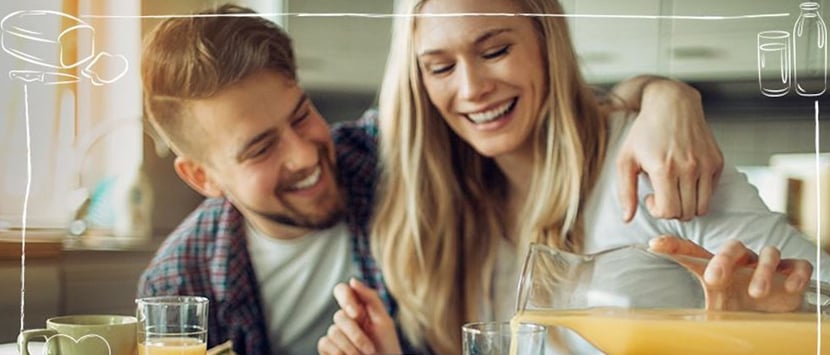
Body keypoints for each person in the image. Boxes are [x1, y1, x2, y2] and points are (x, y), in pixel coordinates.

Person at [138, 3, 726, 355]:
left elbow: (550, 108)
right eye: (262, 147)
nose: (306, 154)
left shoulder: (389, 158)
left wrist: (664, 95)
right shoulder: (178, 284)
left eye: (301, 115)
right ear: (201, 175)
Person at [317, 0, 830, 354]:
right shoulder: (444, 204)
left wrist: (765, 330)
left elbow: (816, 296)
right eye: (440, 67)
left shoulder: (652, 166)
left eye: (495, 50)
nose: (472, 88)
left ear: (546, 40)